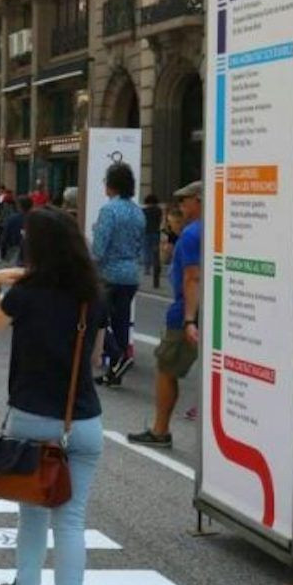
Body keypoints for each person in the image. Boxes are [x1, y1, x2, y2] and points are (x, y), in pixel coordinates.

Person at [0, 206, 108, 585]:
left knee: (32, 511)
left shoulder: (27, 293)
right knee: (70, 521)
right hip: (82, 420)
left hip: (31, 418)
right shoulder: (92, 293)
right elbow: (93, 360)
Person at [128, 181, 204, 449]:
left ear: (198, 200)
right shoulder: (214, 228)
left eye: (185, 201)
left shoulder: (193, 233)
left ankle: (160, 430)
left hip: (187, 310)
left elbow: (192, 276)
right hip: (209, 309)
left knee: (165, 367)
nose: (181, 206)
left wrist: (189, 319)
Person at [91, 161, 144, 386]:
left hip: (109, 274)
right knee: (122, 321)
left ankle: (117, 355)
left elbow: (99, 249)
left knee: (96, 318)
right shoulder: (137, 211)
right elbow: (140, 244)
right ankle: (115, 372)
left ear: (111, 185)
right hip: (131, 273)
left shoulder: (109, 210)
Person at [0, 195, 31, 265]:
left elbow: (5, 237)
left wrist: (3, 253)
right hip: (31, 253)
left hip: (14, 252)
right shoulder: (36, 219)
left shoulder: (12, 219)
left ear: (19, 206)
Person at [142, 193, 164, 288]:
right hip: (156, 232)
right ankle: (156, 267)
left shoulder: (143, 210)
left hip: (146, 232)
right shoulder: (158, 210)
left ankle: (147, 268)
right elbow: (160, 221)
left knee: (146, 250)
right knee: (156, 252)